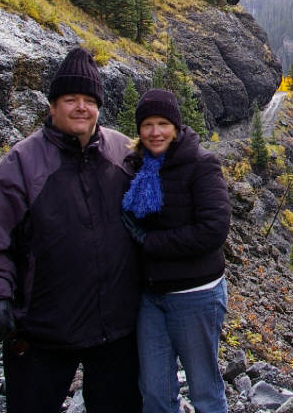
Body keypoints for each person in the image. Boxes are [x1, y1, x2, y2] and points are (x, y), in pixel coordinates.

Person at [0, 47, 142, 413]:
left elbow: (157, 202)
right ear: (52, 106)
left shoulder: (122, 152)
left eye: (89, 100)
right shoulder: (21, 164)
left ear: (99, 106)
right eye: (70, 99)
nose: (81, 107)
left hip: (115, 328)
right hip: (43, 329)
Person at [121, 88, 231, 413]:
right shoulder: (136, 167)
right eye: (147, 125)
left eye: (163, 124)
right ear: (139, 129)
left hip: (196, 295)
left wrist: (149, 242)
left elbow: (213, 231)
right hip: (151, 296)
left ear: (176, 127)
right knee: (154, 393)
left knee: (205, 392)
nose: (155, 132)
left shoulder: (201, 164)